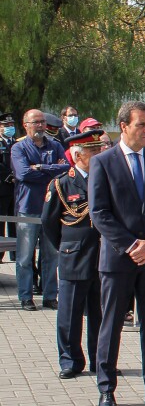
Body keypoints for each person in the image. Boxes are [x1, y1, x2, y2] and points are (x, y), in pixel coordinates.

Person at [89, 101, 145, 406]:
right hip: (118, 258)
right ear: (124, 126)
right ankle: (106, 389)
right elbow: (99, 213)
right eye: (140, 125)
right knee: (111, 325)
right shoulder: (103, 162)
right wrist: (131, 246)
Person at [41, 129, 104, 379]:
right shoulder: (61, 183)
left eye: (99, 149)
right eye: (93, 151)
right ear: (78, 155)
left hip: (101, 254)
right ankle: (70, 360)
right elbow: (49, 223)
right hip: (74, 254)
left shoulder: (104, 178)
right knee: (70, 313)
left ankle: (101, 359)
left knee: (100, 312)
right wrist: (65, 247)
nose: (99, 154)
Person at [11, 108, 70, 310]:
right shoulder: (18, 148)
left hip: (51, 207)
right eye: (35, 122)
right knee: (25, 257)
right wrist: (51, 168)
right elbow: (23, 174)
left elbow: (65, 169)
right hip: (28, 207)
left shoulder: (54, 145)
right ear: (25, 124)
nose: (40, 126)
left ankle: (50, 296)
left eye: (42, 122)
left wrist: (40, 167)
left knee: (51, 255)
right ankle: (26, 296)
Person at [0, 112, 16, 264]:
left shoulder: (16, 143)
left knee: (15, 220)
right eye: (6, 126)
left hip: (15, 187)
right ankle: (0, 255)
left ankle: (15, 253)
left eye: (11, 125)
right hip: (2, 187)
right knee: (1, 220)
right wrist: (9, 175)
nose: (10, 128)